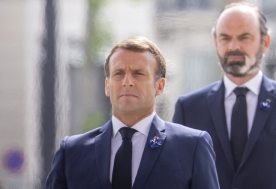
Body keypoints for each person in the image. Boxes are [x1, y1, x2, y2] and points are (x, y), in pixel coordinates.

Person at [173, 3, 276, 189]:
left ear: (265, 42)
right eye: (225, 38)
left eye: (244, 37)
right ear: (215, 42)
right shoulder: (189, 109)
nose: (233, 46)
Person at [46, 36, 220, 189]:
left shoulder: (191, 146)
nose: (127, 82)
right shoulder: (72, 153)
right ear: (107, 85)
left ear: (159, 86)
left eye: (138, 73)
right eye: (119, 73)